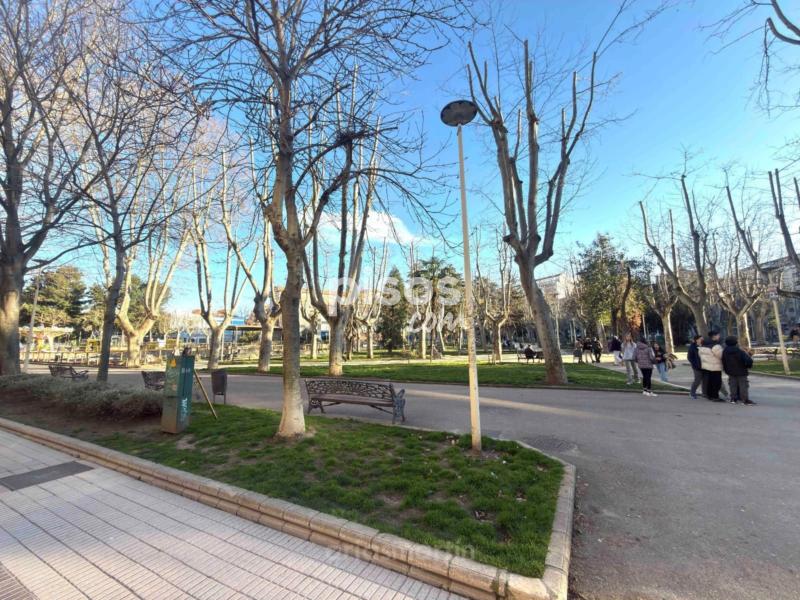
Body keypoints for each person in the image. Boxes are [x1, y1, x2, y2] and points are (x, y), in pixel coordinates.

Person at [722, 336, 756, 405]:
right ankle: (744, 399)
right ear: (735, 342)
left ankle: (733, 398)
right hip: (741, 370)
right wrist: (748, 366)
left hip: (730, 371)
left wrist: (726, 369)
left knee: (733, 385)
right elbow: (748, 360)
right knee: (743, 385)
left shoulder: (725, 351)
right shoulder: (739, 351)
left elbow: (724, 361)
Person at [699, 331, 724, 402]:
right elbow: (721, 355)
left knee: (709, 382)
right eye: (718, 335)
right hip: (715, 367)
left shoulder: (703, 345)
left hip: (706, 367)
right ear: (714, 336)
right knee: (716, 383)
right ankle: (715, 396)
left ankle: (709, 395)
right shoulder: (716, 346)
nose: (719, 336)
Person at [687, 334, 704, 399]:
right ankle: (692, 393)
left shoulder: (704, 345)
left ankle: (704, 393)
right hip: (697, 367)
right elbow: (689, 357)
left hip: (705, 366)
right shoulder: (692, 347)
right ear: (697, 340)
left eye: (702, 339)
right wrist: (695, 364)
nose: (702, 340)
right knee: (697, 380)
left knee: (705, 380)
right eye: (700, 339)